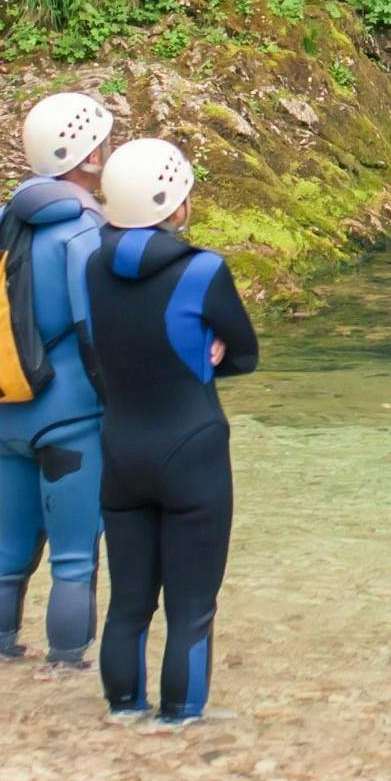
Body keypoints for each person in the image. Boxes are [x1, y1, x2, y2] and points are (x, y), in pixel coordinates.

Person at [80, 138, 258, 725]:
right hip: (192, 449)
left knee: (128, 604)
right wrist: (213, 357)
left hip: (122, 449)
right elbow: (246, 356)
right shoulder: (203, 269)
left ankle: (122, 709)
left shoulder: (91, 266)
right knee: (191, 609)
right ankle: (181, 721)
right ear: (174, 204)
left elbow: (105, 350)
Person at [0, 91, 114, 666]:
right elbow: (94, 333)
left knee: (10, 551)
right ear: (88, 155)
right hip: (73, 418)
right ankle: (66, 669)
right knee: (75, 558)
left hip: (8, 411)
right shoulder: (86, 231)